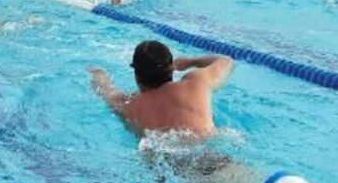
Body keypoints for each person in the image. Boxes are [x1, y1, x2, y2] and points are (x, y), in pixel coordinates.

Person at [88, 41, 233, 136]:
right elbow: (226, 61)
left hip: (170, 164)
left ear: (137, 76)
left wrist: (97, 73)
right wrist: (190, 61)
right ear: (172, 68)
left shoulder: (128, 107)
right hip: (216, 160)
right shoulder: (195, 83)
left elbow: (104, 89)